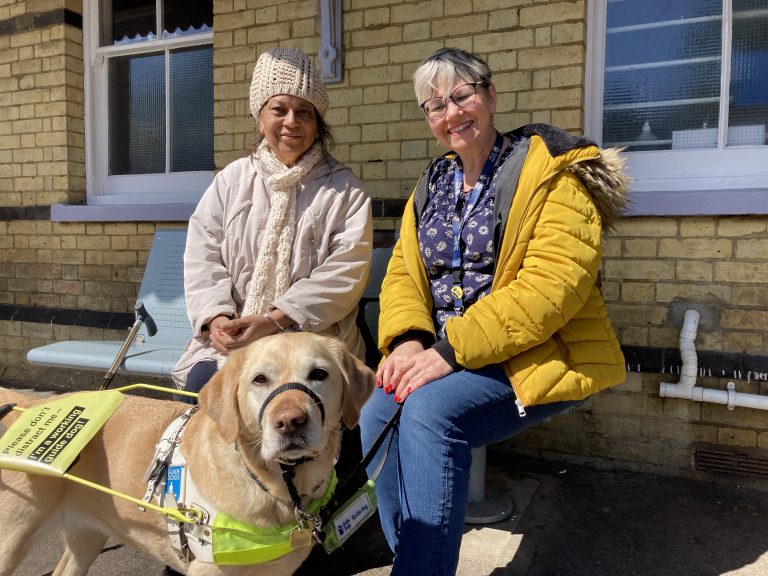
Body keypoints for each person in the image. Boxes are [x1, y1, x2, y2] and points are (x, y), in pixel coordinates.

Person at [359, 47, 628, 575]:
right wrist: (409, 340)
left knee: (430, 415)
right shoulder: (432, 184)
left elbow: (551, 288)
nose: (451, 113)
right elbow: (403, 274)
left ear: (490, 96)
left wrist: (449, 350)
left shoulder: (551, 173)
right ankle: (413, 556)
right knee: (376, 410)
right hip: (445, 353)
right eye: (434, 105)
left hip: (537, 353)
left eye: (462, 95)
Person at [172, 47, 373, 396]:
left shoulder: (345, 190)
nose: (291, 122)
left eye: (304, 112)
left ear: (318, 122)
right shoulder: (231, 180)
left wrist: (275, 320)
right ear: (260, 118)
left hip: (314, 343)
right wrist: (217, 319)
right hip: (233, 339)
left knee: (293, 399)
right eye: (278, 109)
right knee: (204, 389)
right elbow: (202, 253)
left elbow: (346, 271)